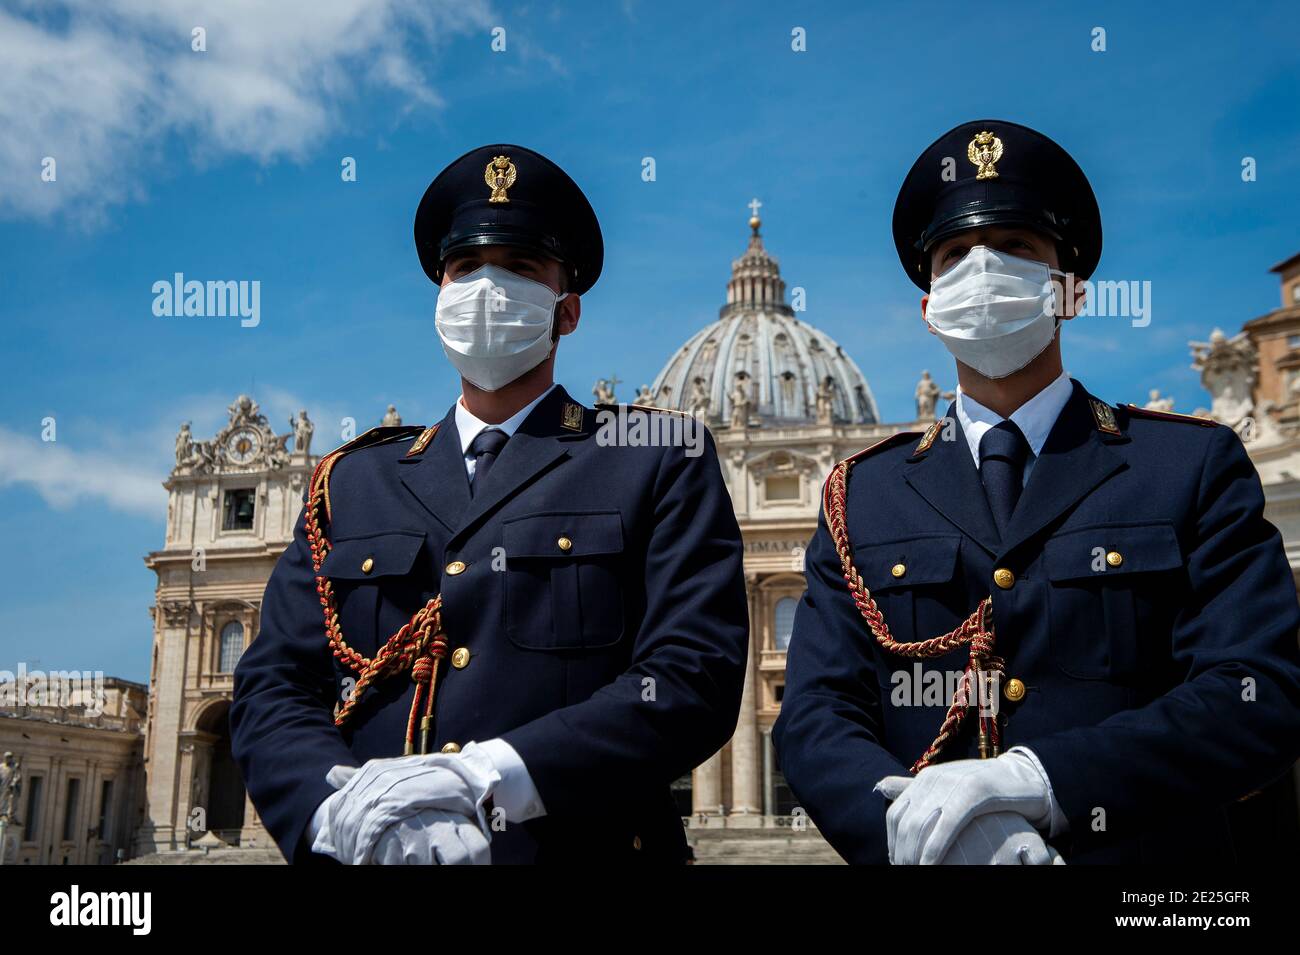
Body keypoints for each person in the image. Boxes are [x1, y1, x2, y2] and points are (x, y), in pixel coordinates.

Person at [773, 119, 1300, 864]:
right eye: (955, 256)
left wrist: (1041, 780)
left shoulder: (1190, 465)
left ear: (1071, 291)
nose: (983, 270)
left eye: (1016, 247)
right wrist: (926, 834)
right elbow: (815, 720)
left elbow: (1260, 692)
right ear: (930, 307)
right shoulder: (858, 496)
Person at [230, 144, 749, 865]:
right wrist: (337, 812)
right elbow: (275, 683)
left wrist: (489, 774)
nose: (486, 287)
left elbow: (695, 676)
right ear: (439, 298)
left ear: (565, 311)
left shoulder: (655, 456)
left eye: (519, 268)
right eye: (466, 267)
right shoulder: (349, 482)